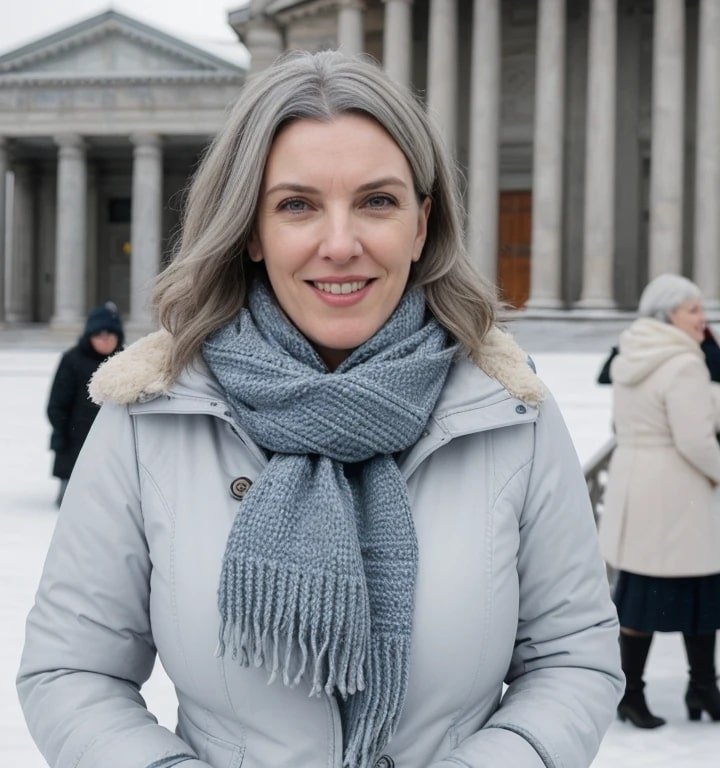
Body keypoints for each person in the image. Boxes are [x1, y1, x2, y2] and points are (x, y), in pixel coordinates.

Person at [18, 51, 622, 768]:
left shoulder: (509, 412)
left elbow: (573, 659)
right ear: (251, 229)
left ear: (422, 225)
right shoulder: (151, 416)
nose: (340, 245)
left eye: (378, 201)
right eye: (297, 205)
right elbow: (72, 671)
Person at [598, 273, 720, 728]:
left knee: (640, 595)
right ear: (670, 314)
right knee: (699, 590)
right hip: (678, 494)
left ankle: (633, 694)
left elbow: (618, 426)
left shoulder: (633, 353)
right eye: (693, 310)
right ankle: (702, 688)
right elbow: (696, 441)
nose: (702, 319)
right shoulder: (683, 363)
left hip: (638, 485)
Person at [46, 301, 124, 506]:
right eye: (99, 334)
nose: (105, 339)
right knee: (71, 498)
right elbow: (57, 401)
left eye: (110, 334)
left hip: (112, 438)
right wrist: (64, 428)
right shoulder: (72, 360)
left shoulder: (124, 361)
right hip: (74, 436)